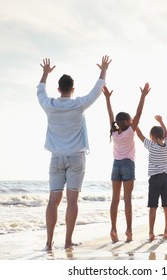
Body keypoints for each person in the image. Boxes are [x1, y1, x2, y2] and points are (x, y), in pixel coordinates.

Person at [37, 56, 112, 250]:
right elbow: (96, 90)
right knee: (72, 200)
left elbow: (40, 91)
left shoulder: (49, 105)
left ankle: (48, 242)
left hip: (56, 158)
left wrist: (45, 73)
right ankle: (68, 241)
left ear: (59, 89)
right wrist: (103, 69)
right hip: (76, 157)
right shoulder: (78, 104)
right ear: (72, 89)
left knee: (53, 200)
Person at [102, 83, 151, 243]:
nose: (132, 120)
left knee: (114, 200)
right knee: (127, 199)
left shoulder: (114, 132)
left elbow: (111, 115)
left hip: (116, 166)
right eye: (130, 119)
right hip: (128, 165)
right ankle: (129, 231)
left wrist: (108, 99)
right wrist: (143, 96)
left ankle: (113, 229)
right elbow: (140, 113)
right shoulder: (131, 131)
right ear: (127, 121)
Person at [136, 115, 167, 241]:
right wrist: (162, 121)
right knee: (166, 206)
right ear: (162, 137)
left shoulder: (152, 146)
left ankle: (151, 233)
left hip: (155, 179)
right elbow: (166, 134)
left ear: (152, 137)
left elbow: (140, 135)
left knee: (153, 207)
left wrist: (134, 124)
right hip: (166, 178)